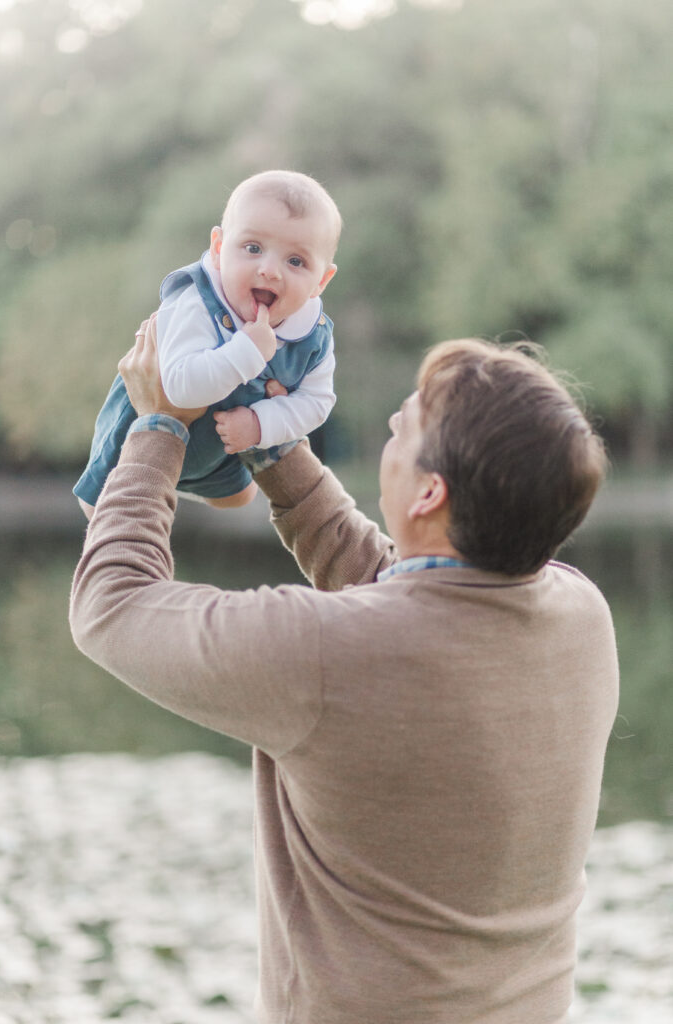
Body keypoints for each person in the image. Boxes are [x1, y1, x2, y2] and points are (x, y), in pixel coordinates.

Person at [69, 321, 619, 1024]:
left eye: (401, 428)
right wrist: (270, 442)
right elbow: (406, 593)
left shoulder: (324, 651)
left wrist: (157, 428)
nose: (390, 427)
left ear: (429, 493)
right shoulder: (581, 614)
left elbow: (111, 603)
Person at [73, 170, 341, 519]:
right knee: (100, 509)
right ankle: (127, 487)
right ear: (218, 249)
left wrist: (259, 424)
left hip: (220, 446)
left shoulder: (314, 336)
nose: (270, 270)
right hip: (142, 432)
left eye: (296, 261)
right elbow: (179, 389)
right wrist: (248, 351)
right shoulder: (197, 302)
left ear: (321, 280)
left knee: (240, 497)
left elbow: (318, 402)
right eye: (253, 248)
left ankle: (197, 483)